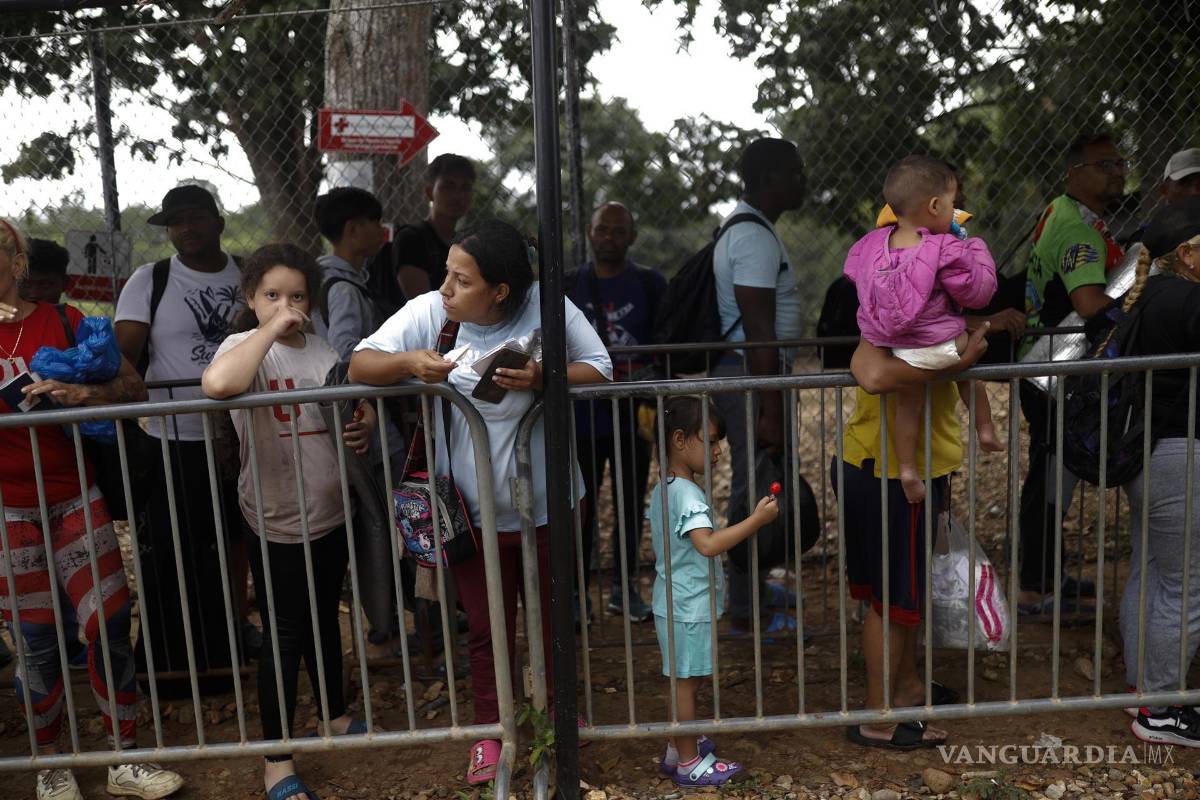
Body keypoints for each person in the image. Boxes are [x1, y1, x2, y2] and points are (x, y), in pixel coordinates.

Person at [349, 219, 612, 784]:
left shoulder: (548, 305)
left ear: (500, 292)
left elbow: (600, 367)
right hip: (471, 511)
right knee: (488, 628)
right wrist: (408, 364)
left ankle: (554, 722)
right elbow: (360, 363)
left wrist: (544, 376)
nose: (446, 287)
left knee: (551, 623)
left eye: (461, 279)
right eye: (447, 273)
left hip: (549, 503)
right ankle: (493, 733)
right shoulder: (431, 312)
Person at [0, 217, 185, 800]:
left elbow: (132, 387)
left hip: (74, 495)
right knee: (35, 638)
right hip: (8, 510)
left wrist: (82, 393)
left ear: (17, 261)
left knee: (106, 621)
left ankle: (123, 758)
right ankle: (50, 764)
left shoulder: (63, 320)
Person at [203, 243, 377, 800]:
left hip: (329, 512)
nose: (286, 305)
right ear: (251, 299)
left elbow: (346, 410)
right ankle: (276, 758)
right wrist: (270, 329)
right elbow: (219, 385)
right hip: (276, 518)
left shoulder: (322, 348)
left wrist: (362, 422)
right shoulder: (243, 347)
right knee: (284, 632)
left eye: (297, 296)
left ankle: (332, 712)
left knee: (326, 614)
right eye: (272, 295)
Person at [114, 184, 258, 693]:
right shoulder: (150, 280)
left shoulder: (249, 275)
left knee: (235, 546)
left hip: (241, 438)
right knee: (174, 553)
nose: (186, 229)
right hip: (173, 437)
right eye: (176, 222)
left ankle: (229, 649)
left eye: (196, 218)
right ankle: (169, 669)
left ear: (218, 222)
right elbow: (124, 353)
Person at [834, 325, 990, 752]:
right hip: (885, 473)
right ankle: (878, 718)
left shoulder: (939, 321)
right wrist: (959, 361)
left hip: (912, 471)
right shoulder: (884, 319)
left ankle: (905, 688)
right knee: (891, 601)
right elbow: (875, 375)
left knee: (902, 596)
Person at [843, 155, 1002, 503]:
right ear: (935, 205)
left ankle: (907, 469)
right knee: (969, 365)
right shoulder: (942, 247)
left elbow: (854, 272)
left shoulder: (870, 247)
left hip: (894, 345)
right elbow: (975, 292)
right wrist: (974, 249)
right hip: (937, 343)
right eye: (953, 204)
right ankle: (985, 427)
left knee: (907, 406)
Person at [1017, 133, 1127, 615]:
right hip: (1055, 369)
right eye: (1105, 164)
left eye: (1121, 163)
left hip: (1045, 364)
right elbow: (1089, 304)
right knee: (1051, 474)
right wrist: (1136, 306)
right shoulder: (1078, 231)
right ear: (1074, 173)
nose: (1118, 172)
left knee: (1050, 471)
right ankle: (1035, 589)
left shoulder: (1059, 210)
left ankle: (1045, 577)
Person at [650, 396, 777, 786]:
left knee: (687, 678)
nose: (720, 450)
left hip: (676, 601)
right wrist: (756, 520)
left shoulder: (668, 487)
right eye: (711, 440)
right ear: (679, 440)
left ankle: (679, 747)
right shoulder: (687, 493)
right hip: (686, 605)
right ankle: (689, 762)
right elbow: (707, 544)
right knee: (685, 682)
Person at [1111, 198, 1200, 748]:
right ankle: (1161, 708)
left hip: (1153, 455)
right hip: (1179, 455)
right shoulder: (1186, 301)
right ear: (1189, 253)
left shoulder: (1154, 295)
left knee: (1153, 572)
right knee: (1185, 585)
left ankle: (1144, 689)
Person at [710, 137, 806, 633]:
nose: (802, 180)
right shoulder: (750, 237)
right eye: (795, 172)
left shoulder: (755, 229)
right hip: (751, 377)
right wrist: (770, 404)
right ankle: (748, 611)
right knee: (753, 493)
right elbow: (758, 329)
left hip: (756, 376)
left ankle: (753, 589)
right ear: (770, 178)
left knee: (762, 486)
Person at [568, 201, 666, 622]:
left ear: (632, 237)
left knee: (629, 505)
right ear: (590, 233)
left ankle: (623, 589)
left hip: (630, 419)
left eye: (617, 231)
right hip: (581, 419)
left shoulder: (649, 284)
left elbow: (664, 345)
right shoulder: (568, 284)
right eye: (601, 229)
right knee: (580, 507)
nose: (608, 237)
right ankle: (575, 593)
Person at [366, 154, 476, 317]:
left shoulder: (466, 245)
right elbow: (426, 309)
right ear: (430, 192)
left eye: (466, 187)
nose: (458, 195)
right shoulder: (412, 240)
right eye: (448, 186)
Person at [312, 186, 388, 361]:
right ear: (352, 230)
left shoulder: (323, 277)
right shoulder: (343, 289)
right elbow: (344, 352)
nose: (381, 230)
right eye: (375, 222)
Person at [20, 238, 70, 305]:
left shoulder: (73, 315)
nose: (34, 295)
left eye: (45, 285)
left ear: (64, 284)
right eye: (25, 284)